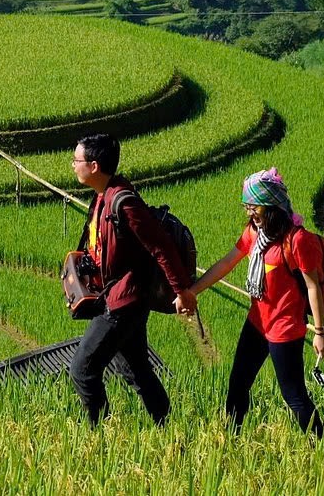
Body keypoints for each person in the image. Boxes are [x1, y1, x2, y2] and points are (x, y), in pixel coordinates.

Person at [179, 168, 324, 438]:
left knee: (293, 395)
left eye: (253, 206)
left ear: (271, 205)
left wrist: (319, 333)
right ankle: (230, 439)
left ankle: (321, 445)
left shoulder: (297, 240)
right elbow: (226, 263)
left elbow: (313, 286)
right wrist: (193, 291)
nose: (249, 212)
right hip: (257, 322)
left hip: (285, 328)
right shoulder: (254, 234)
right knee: (237, 385)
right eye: (246, 206)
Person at [68, 133, 196, 427]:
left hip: (123, 301)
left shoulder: (124, 203)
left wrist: (182, 291)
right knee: (135, 368)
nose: (73, 165)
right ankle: (167, 425)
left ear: (95, 166)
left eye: (77, 160)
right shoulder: (102, 197)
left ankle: (96, 433)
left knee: (82, 369)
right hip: (120, 296)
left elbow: (161, 245)